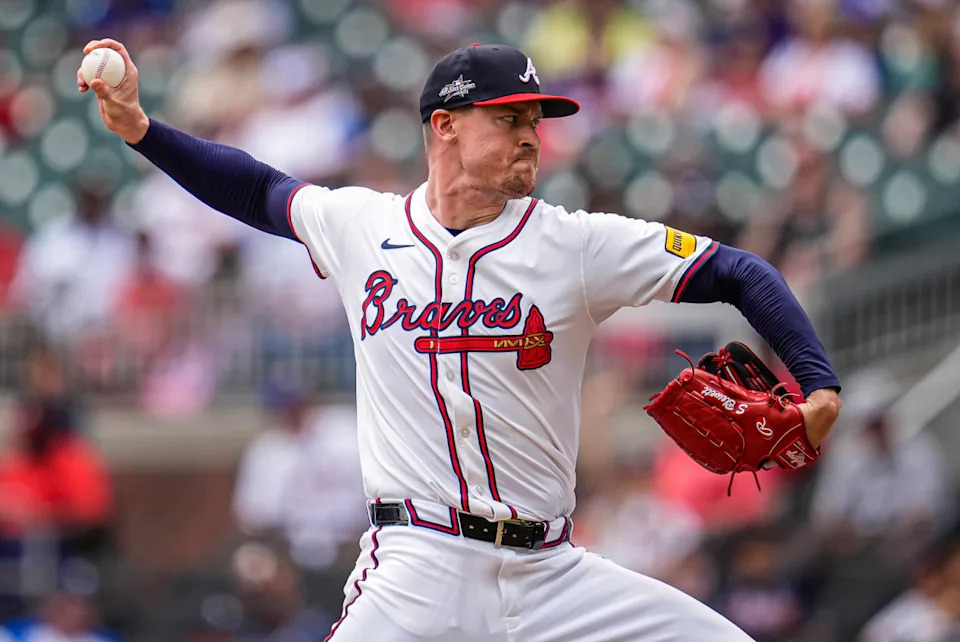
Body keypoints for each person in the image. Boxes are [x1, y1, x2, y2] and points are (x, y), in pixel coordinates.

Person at [79, 37, 841, 641]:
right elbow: (254, 188)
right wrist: (142, 131)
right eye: (509, 119)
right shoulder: (362, 227)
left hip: (554, 575)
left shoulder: (576, 245)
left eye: (535, 122)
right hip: (418, 568)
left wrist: (818, 383)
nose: (530, 138)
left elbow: (740, 272)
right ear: (444, 124)